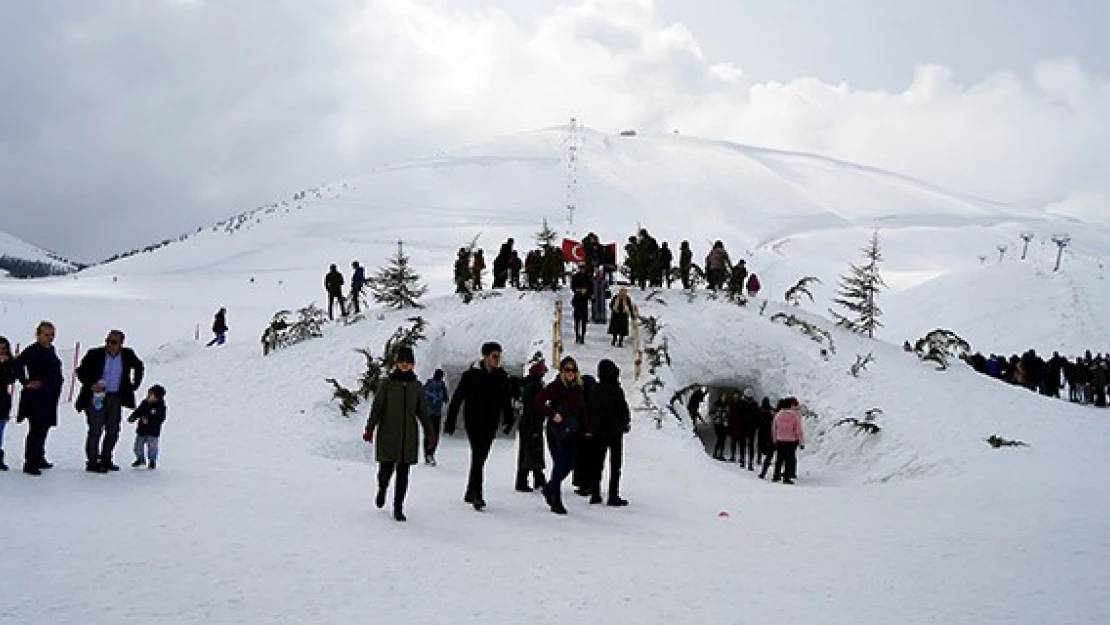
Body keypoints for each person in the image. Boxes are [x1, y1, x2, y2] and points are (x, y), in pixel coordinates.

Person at [363, 346, 435, 522]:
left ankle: (398, 507)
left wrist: (430, 432)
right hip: (388, 434)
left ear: (412, 364)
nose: (404, 364)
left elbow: (423, 412)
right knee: (385, 471)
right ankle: (382, 488)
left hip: (408, 437)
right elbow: (377, 407)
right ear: (396, 363)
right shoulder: (386, 384)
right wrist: (370, 428)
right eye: (401, 361)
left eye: (408, 362)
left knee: (403, 474)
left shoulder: (416, 386)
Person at [444, 342, 514, 511]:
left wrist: (509, 419)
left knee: (481, 457)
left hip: (491, 421)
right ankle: (478, 493)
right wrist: (451, 421)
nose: (497, 360)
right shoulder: (470, 375)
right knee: (478, 454)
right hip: (473, 420)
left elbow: (506, 398)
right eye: (494, 356)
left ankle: (470, 490)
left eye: (499, 356)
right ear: (485, 356)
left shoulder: (501, 375)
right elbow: (457, 398)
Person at [75, 329, 145, 473]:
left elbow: (139, 366)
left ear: (121, 343)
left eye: (113, 342)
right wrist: (91, 384)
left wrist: (134, 385)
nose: (109, 344)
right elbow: (80, 371)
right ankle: (92, 462)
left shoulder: (127, 355)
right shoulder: (94, 354)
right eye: (107, 341)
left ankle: (106, 459)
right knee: (95, 430)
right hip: (96, 397)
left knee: (113, 430)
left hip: (116, 397)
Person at [533, 356, 588, 515]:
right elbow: (537, 402)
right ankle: (556, 498)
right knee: (559, 462)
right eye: (567, 370)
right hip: (555, 430)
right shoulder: (555, 386)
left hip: (571, 430)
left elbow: (582, 409)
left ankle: (550, 488)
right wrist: (552, 413)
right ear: (562, 371)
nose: (571, 373)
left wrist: (587, 428)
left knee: (570, 463)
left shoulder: (578, 388)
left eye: (573, 370)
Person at [13, 321, 64, 475]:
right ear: (38, 335)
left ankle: (39, 457)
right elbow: (17, 364)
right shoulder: (33, 350)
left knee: (44, 428)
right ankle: (30, 462)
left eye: (52, 335)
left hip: (50, 397)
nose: (50, 338)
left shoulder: (51, 350)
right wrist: (26, 382)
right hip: (36, 398)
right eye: (46, 335)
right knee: (35, 429)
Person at [585, 359, 630, 506]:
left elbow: (589, 409)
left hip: (598, 432)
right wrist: (625, 423)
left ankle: (595, 493)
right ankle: (613, 494)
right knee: (615, 464)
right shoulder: (616, 389)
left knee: (597, 463)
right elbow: (622, 409)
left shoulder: (595, 389)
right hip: (615, 432)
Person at [515, 361, 549, 492]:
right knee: (531, 450)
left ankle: (535, 478)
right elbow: (533, 407)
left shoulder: (529, 385)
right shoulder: (534, 387)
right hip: (532, 423)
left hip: (528, 423)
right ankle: (528, 480)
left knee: (529, 451)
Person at [128, 385, 167, 469]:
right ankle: (140, 459)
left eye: (151, 395)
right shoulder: (144, 403)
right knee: (137, 447)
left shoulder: (160, 407)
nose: (148, 396)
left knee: (152, 447)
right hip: (141, 430)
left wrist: (150, 421)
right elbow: (138, 411)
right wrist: (133, 417)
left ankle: (152, 461)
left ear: (157, 397)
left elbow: (160, 419)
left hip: (153, 432)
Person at [771, 397, 804, 484]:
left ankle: (776, 476)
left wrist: (774, 439)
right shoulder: (794, 416)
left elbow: (774, 428)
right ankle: (786, 477)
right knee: (789, 459)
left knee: (779, 459)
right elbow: (798, 430)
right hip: (791, 441)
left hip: (780, 440)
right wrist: (800, 442)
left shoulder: (778, 415)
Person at [423, 369, 448, 465]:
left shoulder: (429, 384)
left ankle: (428, 454)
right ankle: (430, 454)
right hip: (435, 414)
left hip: (429, 413)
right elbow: (446, 398)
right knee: (434, 435)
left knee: (429, 434)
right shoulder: (441, 385)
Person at [0, 336, 15, 471]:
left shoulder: (9, 364)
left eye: (3, 349)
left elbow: (10, 379)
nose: (1, 352)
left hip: (2, 402)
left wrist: (4, 365)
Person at [570, 264, 593, 344]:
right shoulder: (575, 276)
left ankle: (583, 336)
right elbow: (572, 287)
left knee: (584, 321)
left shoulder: (588, 277)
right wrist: (579, 290)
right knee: (577, 320)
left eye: (584, 268)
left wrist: (587, 292)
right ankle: (577, 336)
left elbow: (591, 287)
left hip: (584, 300)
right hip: (577, 299)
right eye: (581, 268)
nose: (582, 270)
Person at [756, 397, 776, 479]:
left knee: (760, 448)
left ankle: (759, 460)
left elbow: (756, 422)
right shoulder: (772, 411)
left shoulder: (759, 411)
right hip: (770, 434)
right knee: (770, 454)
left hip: (762, 434)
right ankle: (765, 471)